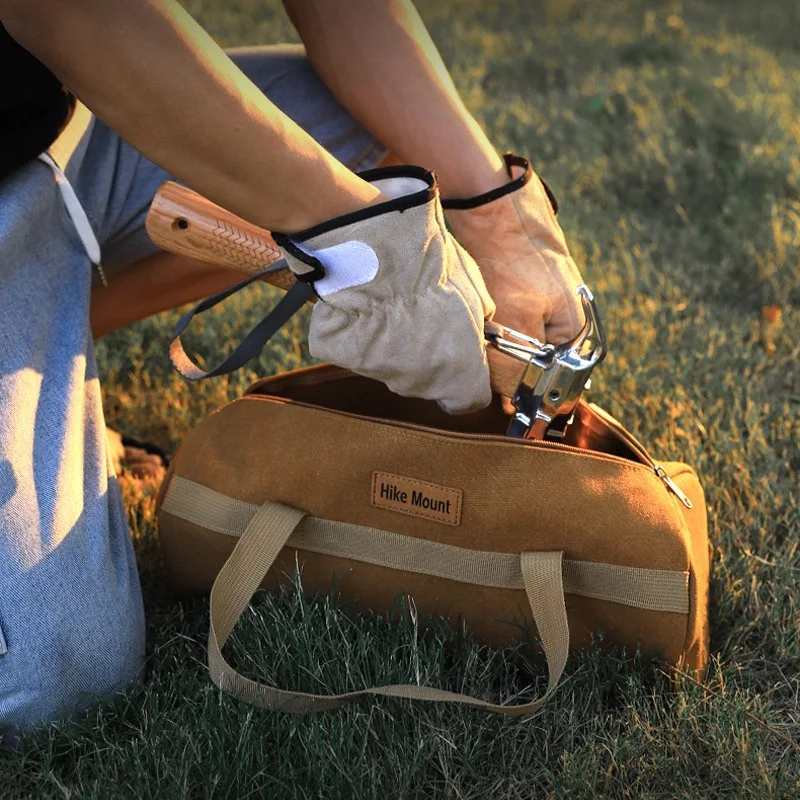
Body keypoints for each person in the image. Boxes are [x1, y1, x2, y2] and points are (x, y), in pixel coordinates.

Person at [0, 0, 586, 736]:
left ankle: (43, 336)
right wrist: (378, 260)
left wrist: (497, 216)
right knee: (57, 673)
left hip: (57, 145)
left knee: (403, 146)